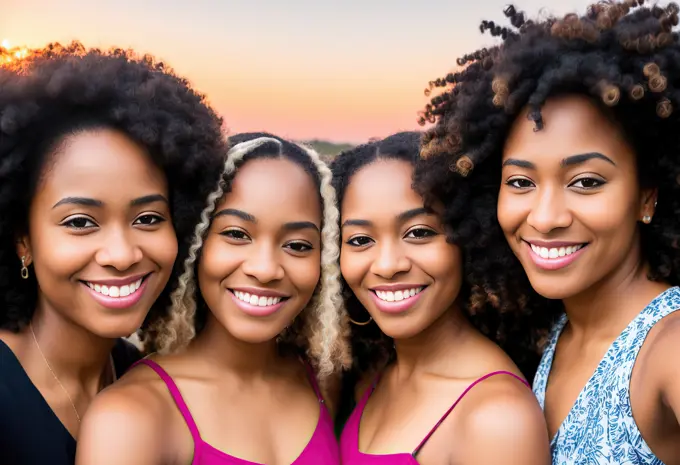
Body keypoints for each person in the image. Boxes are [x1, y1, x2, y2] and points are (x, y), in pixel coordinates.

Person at [417, 2, 680, 463]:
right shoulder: (551, 331)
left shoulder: (670, 346)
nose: (545, 217)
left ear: (646, 197)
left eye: (586, 182)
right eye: (520, 182)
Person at [0, 42, 227, 465]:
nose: (122, 255)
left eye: (147, 218)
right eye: (81, 222)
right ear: (22, 239)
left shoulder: (142, 377)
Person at [76, 133, 350, 465]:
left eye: (298, 245)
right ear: (196, 242)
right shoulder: (130, 417)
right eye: (236, 234)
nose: (265, 269)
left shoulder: (323, 383)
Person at [332, 132, 549, 465]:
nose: (388, 265)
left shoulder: (497, 419)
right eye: (360, 240)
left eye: (419, 232)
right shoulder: (371, 375)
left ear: (468, 238)